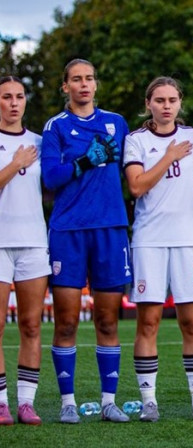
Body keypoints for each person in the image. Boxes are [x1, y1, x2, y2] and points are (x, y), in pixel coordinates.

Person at [41, 59, 132, 423]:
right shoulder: (56, 127)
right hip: (69, 231)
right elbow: (50, 177)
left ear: (96, 84)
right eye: (76, 79)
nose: (83, 84)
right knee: (66, 322)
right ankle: (67, 403)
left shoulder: (118, 123)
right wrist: (83, 162)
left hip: (110, 229)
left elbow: (151, 145)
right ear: (65, 86)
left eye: (89, 78)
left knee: (108, 321)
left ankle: (109, 401)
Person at [123, 76, 193, 422]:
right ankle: (149, 401)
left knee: (192, 322)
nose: (166, 105)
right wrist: (169, 156)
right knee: (148, 321)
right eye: (159, 100)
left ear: (180, 103)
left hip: (190, 240)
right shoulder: (136, 141)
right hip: (149, 240)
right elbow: (137, 186)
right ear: (148, 103)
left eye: (172, 100)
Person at [0, 76, 50, 425]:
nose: (14, 103)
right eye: (6, 97)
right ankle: (1, 402)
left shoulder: (40, 143)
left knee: (32, 325)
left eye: (19, 96)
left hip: (34, 242)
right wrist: (14, 165)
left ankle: (26, 403)